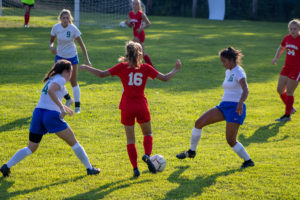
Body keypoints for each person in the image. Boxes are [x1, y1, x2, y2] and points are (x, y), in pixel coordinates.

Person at [80, 41, 181, 177]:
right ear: (140, 54)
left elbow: (102, 74)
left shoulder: (122, 67)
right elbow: (165, 78)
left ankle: (135, 168)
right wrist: (175, 69)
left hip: (127, 106)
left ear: (127, 53)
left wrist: (87, 67)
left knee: (130, 140)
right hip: (141, 105)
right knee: (147, 134)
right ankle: (146, 155)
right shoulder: (145, 68)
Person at [0, 60, 100, 177]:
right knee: (74, 142)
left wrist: (65, 107)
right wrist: (61, 109)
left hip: (38, 113)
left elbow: (51, 96)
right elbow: (51, 91)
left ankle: (6, 166)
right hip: (50, 116)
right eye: (71, 72)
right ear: (67, 72)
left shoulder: (52, 79)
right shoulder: (61, 79)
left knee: (31, 147)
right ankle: (89, 168)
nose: (71, 75)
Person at [176, 47, 254, 169]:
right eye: (222, 61)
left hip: (235, 108)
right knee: (199, 123)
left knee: (231, 140)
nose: (223, 64)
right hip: (223, 106)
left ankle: (248, 161)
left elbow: (246, 90)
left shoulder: (239, 72)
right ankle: (191, 151)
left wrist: (240, 103)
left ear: (232, 60)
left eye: (224, 61)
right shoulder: (228, 71)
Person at [49, 9, 92, 114]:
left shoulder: (73, 29)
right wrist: (51, 47)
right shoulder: (56, 28)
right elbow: (51, 41)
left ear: (70, 18)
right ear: (60, 19)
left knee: (73, 81)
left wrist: (87, 59)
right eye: (63, 18)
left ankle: (77, 106)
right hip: (59, 57)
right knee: (56, 79)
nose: (65, 19)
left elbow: (82, 45)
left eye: (67, 17)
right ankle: (68, 99)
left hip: (72, 57)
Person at [272, 19, 300, 122]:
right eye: (291, 29)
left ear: (299, 29)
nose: (292, 31)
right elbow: (281, 47)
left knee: (289, 91)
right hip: (286, 67)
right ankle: (290, 107)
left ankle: (287, 115)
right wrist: (276, 58)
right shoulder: (287, 38)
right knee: (280, 89)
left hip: (297, 70)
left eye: (295, 29)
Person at [124, 0, 153, 66]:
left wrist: (141, 28)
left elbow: (148, 23)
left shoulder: (141, 14)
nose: (134, 6)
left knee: (130, 47)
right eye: (133, 4)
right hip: (135, 34)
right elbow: (131, 26)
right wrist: (127, 23)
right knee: (142, 52)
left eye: (136, 4)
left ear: (139, 5)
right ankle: (150, 66)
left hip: (140, 34)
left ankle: (126, 62)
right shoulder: (130, 13)